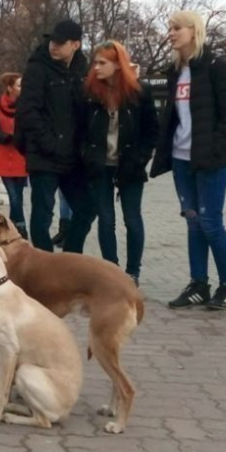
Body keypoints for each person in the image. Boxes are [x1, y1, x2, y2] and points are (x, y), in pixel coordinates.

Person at [150, 10, 226, 310]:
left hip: (211, 161)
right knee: (193, 223)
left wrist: (216, 150)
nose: (171, 33)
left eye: (177, 28)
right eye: (170, 28)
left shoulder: (216, 66)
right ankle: (198, 285)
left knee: (211, 223)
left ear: (194, 30)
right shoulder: (177, 70)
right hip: (181, 160)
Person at [80, 40, 158, 285]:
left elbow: (151, 132)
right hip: (99, 165)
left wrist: (140, 159)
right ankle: (111, 271)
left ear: (117, 64)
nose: (96, 68)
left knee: (132, 218)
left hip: (130, 165)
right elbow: (81, 130)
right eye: (95, 62)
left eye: (102, 63)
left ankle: (132, 272)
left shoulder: (139, 93)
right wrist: (86, 155)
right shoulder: (90, 93)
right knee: (106, 219)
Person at [14, 19, 96, 253]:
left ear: (76, 45)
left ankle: (70, 258)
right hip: (44, 155)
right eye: (52, 41)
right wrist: (49, 143)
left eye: (61, 43)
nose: (54, 46)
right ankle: (44, 264)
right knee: (42, 214)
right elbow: (28, 112)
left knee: (87, 208)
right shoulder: (37, 69)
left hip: (73, 157)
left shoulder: (83, 70)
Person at [0, 72, 28, 240]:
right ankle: (22, 228)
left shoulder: (26, 105)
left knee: (18, 195)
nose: (22, 89)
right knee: (13, 195)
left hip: (22, 157)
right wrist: (6, 137)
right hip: (3, 157)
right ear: (10, 88)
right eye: (19, 85)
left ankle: (11, 230)